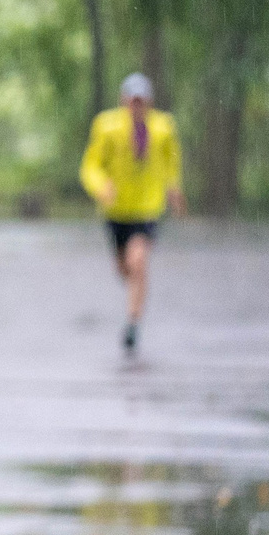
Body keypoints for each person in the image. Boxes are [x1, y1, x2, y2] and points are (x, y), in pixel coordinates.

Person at [80, 71, 185, 354]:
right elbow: (91, 165)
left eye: (142, 101)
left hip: (147, 209)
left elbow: (170, 162)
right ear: (124, 100)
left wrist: (174, 189)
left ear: (149, 102)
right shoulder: (107, 127)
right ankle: (132, 287)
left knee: (138, 262)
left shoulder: (163, 128)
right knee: (124, 268)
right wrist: (101, 186)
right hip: (115, 211)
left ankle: (133, 323)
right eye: (132, 100)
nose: (137, 106)